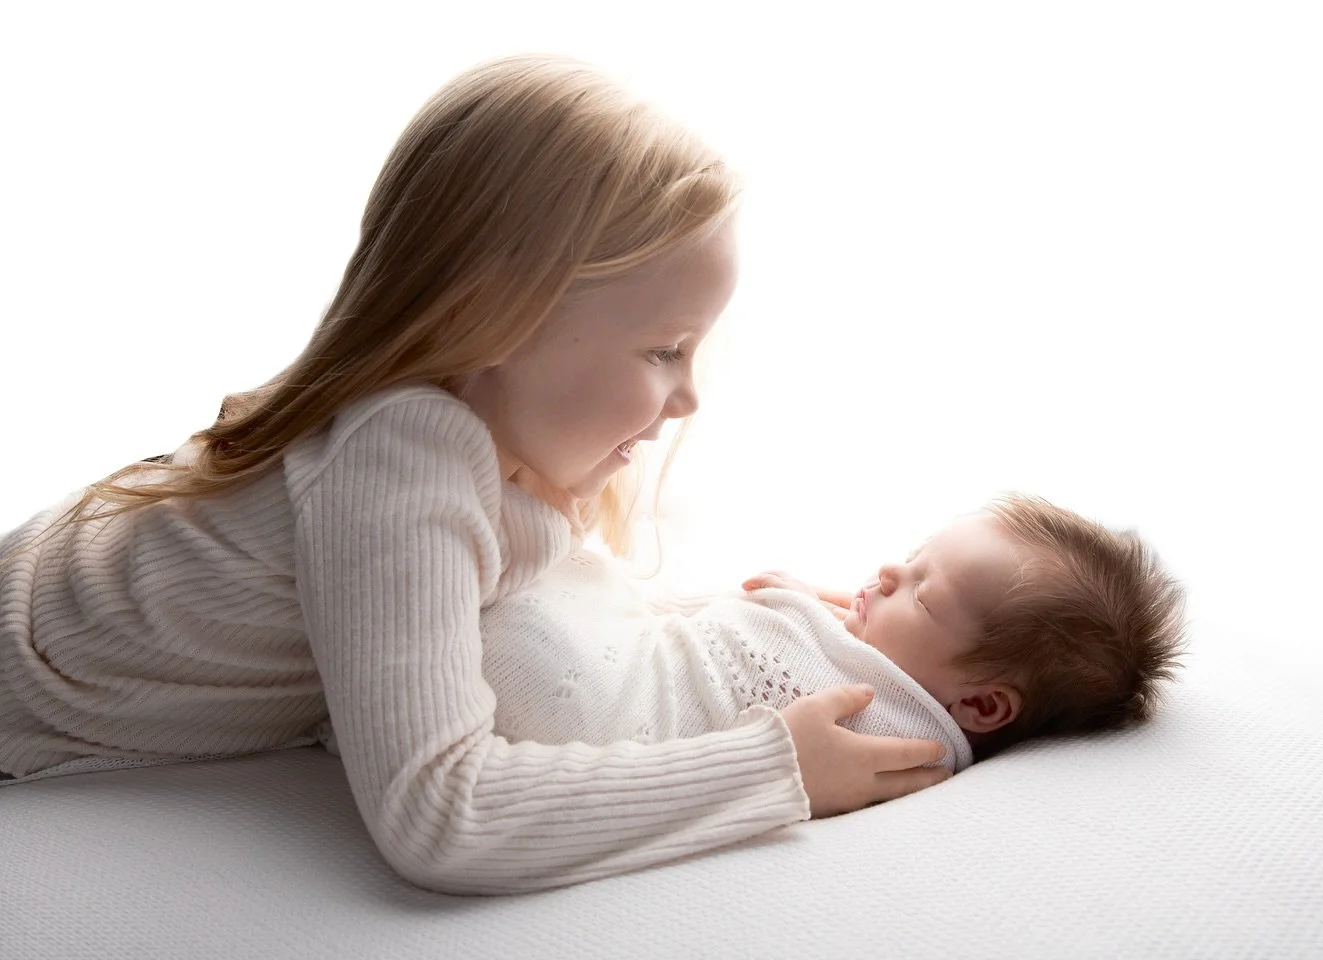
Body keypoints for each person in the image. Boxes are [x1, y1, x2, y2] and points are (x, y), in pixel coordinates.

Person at [0, 54, 951, 894]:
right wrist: (770, 768)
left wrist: (756, 617)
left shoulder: (491, 437)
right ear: (492, 318)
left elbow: (535, 612)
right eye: (665, 349)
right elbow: (442, 814)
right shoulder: (405, 456)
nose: (687, 398)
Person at [444, 493, 1185, 782]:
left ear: (984, 707)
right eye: (913, 553)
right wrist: (793, 608)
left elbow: (754, 718)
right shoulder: (880, 660)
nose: (891, 570)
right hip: (618, 660)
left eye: (924, 595)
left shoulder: (902, 744)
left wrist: (789, 614)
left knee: (534, 565)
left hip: (588, 700)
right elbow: (723, 641)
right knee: (561, 569)